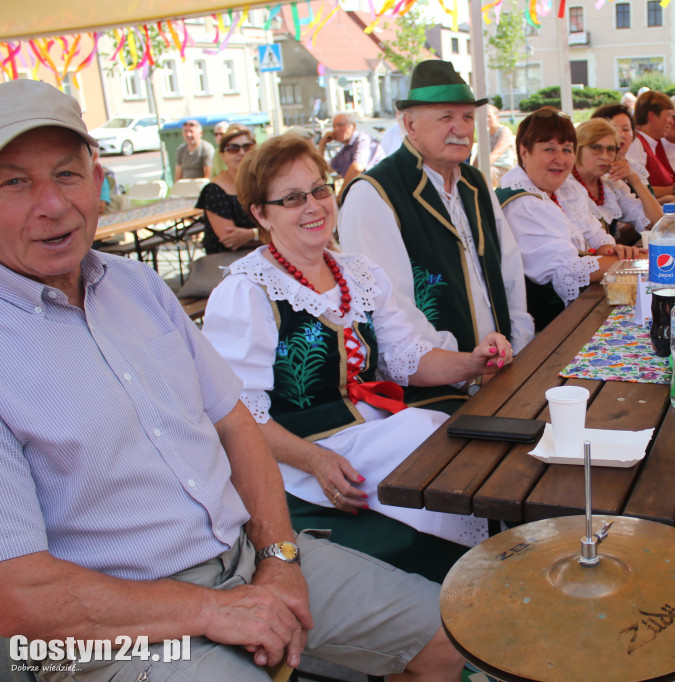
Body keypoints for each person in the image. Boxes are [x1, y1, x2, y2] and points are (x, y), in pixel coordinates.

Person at [0, 78, 464, 682]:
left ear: (95, 179)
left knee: (451, 636)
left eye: (66, 174)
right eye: (13, 181)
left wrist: (277, 556)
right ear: (262, 215)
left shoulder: (137, 287)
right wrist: (213, 609)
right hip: (106, 629)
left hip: (243, 558)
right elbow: (22, 596)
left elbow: (236, 424)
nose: (53, 205)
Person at [202, 134, 509, 581]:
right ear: (260, 214)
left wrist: (472, 363)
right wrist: (313, 460)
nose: (313, 206)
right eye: (291, 198)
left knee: (466, 437)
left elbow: (408, 358)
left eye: (319, 190)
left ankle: (503, 564)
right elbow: (235, 415)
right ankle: (493, 572)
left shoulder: (356, 273)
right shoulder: (247, 290)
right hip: (300, 455)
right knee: (437, 445)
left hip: (373, 430)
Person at [338, 60, 534, 373]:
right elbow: (392, 311)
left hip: (500, 368)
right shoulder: (374, 193)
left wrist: (518, 344)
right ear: (410, 124)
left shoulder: (475, 182)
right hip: (433, 390)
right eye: (446, 117)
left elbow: (509, 269)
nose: (462, 129)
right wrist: (464, 366)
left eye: (468, 117)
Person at [498, 107, 643, 329]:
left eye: (567, 150)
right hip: (548, 329)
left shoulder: (567, 189)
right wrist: (639, 263)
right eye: (549, 149)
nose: (560, 159)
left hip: (580, 308)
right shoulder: (521, 204)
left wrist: (613, 250)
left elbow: (596, 236)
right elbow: (568, 270)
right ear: (524, 153)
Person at [568, 118, 662, 245]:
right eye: (596, 148)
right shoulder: (566, 187)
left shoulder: (610, 185)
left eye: (611, 149)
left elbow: (657, 222)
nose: (605, 156)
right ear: (577, 148)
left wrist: (634, 180)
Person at [195, 124, 261, 254]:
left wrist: (251, 235)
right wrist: (267, 235)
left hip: (268, 256)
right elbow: (230, 241)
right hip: (228, 263)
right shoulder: (214, 190)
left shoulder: (265, 184)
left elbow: (286, 230)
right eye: (233, 148)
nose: (242, 153)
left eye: (247, 147)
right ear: (223, 155)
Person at [625, 90, 675, 196]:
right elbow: (637, 190)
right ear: (651, 116)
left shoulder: (650, 143)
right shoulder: (636, 143)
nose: (671, 121)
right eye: (669, 116)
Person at [317, 111, 384, 187]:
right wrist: (322, 144)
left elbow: (357, 167)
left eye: (340, 125)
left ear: (353, 126)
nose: (336, 129)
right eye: (334, 126)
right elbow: (324, 169)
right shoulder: (344, 150)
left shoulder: (362, 139)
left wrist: (341, 195)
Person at [474, 103, 515, 187]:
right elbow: (479, 156)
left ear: (497, 117)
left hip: (505, 170)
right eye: (483, 117)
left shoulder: (504, 131)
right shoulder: (485, 134)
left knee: (486, 174)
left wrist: (481, 168)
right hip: (490, 167)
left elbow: (497, 153)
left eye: (489, 116)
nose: (486, 119)